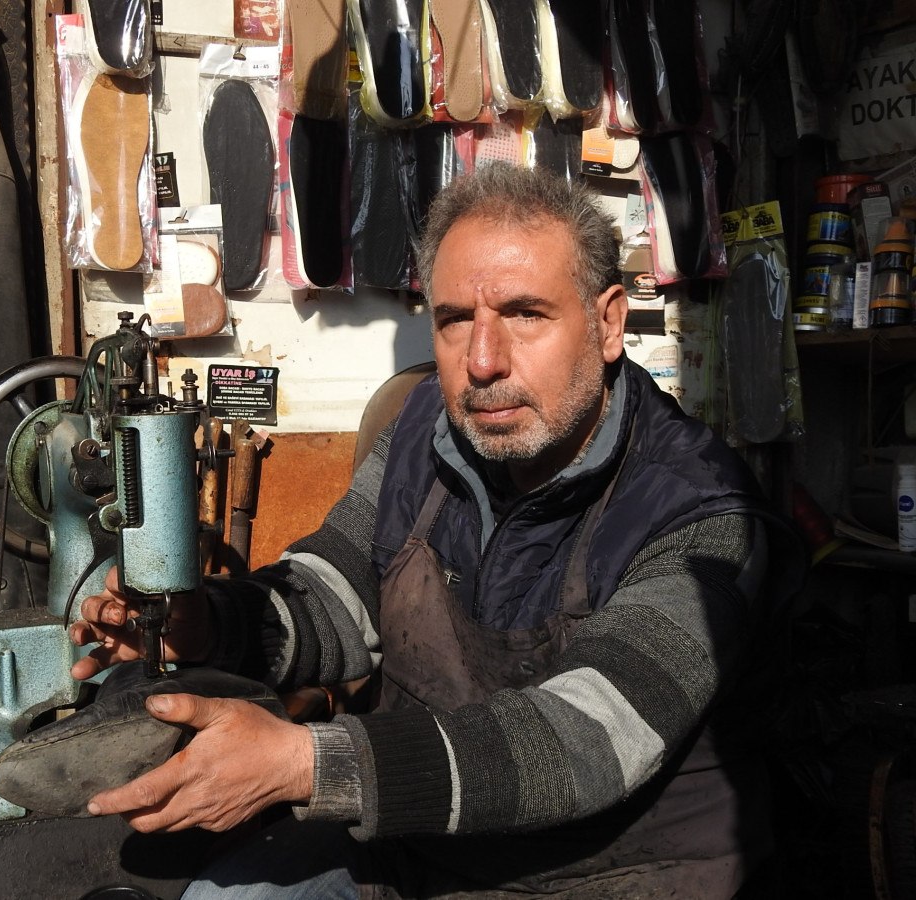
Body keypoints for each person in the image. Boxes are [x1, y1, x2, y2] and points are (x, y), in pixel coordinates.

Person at [68, 164, 807, 898]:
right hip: (421, 850)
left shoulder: (701, 514)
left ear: (608, 321)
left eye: (524, 314)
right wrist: (208, 626)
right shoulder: (426, 430)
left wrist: (309, 764)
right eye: (456, 319)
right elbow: (336, 591)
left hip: (616, 876)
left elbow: (585, 739)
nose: (482, 362)